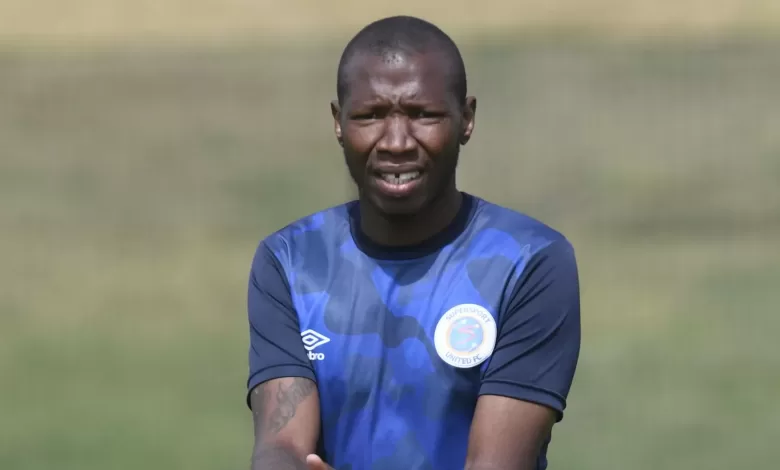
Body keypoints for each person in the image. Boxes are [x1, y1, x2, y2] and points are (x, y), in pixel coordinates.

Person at [246, 15, 581, 470]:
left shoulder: (529, 262)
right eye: (370, 116)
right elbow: (279, 445)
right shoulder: (291, 263)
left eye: (423, 114)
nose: (397, 142)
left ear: (467, 118)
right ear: (338, 122)